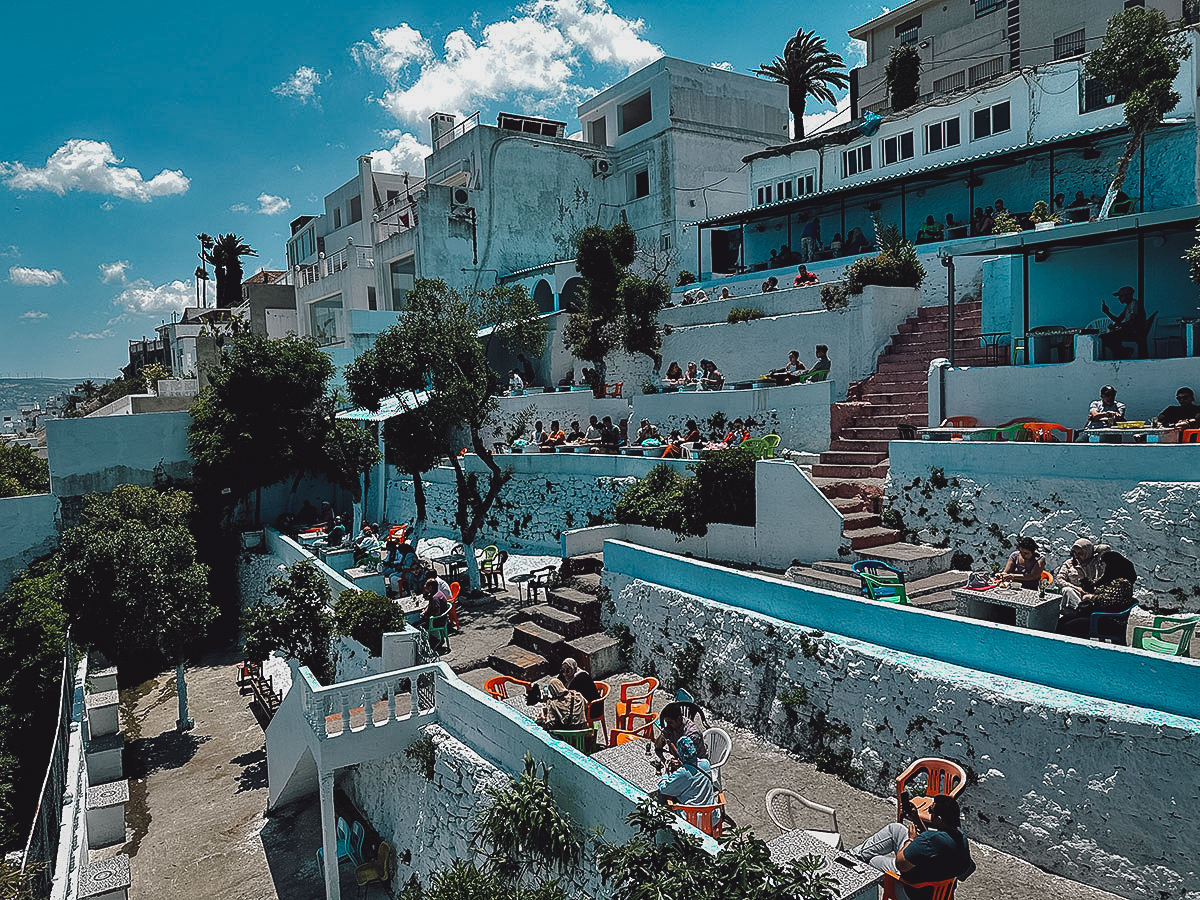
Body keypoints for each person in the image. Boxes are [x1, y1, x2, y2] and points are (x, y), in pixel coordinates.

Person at [851, 794, 974, 900]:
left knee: (870, 860)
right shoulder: (961, 837)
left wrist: (910, 839)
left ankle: (852, 860)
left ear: (939, 819)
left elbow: (900, 864)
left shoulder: (928, 840)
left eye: (931, 811)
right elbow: (934, 845)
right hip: (940, 893)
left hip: (911, 892)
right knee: (896, 829)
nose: (929, 813)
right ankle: (853, 854)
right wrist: (916, 819)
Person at [1056, 551, 1138, 639]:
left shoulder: (1122, 583)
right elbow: (1095, 585)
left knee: (1069, 625)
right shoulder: (1109, 578)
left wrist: (1091, 597)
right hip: (1100, 615)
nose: (1102, 567)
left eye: (1104, 564)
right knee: (1062, 620)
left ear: (1112, 565)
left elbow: (1109, 601)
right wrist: (1085, 582)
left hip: (1109, 621)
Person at [656, 735, 715, 807]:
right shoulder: (706, 763)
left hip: (691, 814)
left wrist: (666, 772)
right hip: (711, 814)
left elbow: (664, 789)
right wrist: (682, 765)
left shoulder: (682, 773)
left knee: (662, 797)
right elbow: (694, 772)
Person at [1056, 537, 1110, 609]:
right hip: (1076, 593)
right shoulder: (1069, 563)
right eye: (1074, 552)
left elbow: (1106, 549)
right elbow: (1059, 579)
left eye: (1080, 553)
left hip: (1091, 594)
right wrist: (1077, 588)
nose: (1076, 556)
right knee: (1067, 590)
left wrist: (1091, 549)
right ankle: (1080, 609)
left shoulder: (1095, 562)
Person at [1099, 285, 1147, 360]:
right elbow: (1118, 319)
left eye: (1121, 296)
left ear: (1128, 296)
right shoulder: (1128, 306)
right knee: (1105, 337)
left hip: (1133, 331)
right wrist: (1107, 312)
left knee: (1106, 337)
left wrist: (1119, 325)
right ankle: (1122, 352)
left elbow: (1132, 322)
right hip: (1128, 330)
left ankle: (1122, 352)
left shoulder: (1134, 304)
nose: (1119, 298)